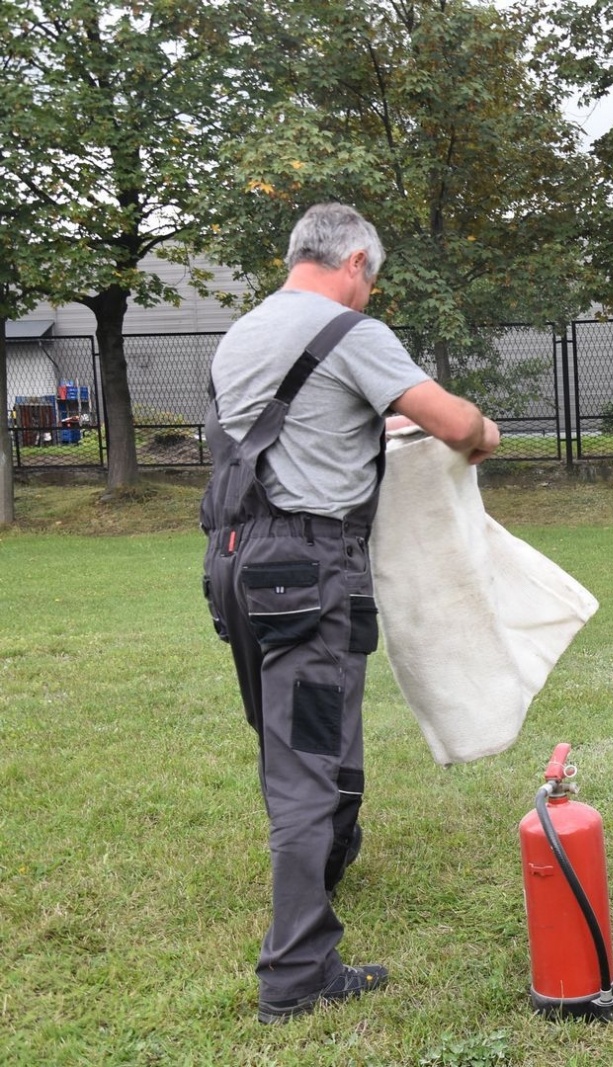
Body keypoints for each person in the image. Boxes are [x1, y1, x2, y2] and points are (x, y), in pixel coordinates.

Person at [200, 203, 500, 1024]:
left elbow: (285, 431)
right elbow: (451, 422)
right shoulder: (349, 331)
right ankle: (296, 970)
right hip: (308, 566)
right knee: (307, 758)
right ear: (357, 259)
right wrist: (482, 430)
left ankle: (330, 859)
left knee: (296, 732)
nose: (370, 293)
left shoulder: (241, 335)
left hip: (233, 559)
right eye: (373, 279)